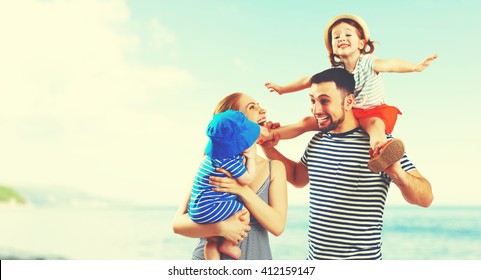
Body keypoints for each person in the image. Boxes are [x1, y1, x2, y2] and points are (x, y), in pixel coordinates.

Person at [261, 68, 433, 260]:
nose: (316, 109)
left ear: (349, 101)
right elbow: (296, 177)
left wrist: (398, 173)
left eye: (325, 101)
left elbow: (426, 198)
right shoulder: (318, 141)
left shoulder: (380, 145)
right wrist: (269, 148)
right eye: (312, 100)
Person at [264, 14, 437, 173]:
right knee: (306, 122)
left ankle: (380, 151)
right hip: (346, 114)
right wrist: (282, 89)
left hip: (371, 112)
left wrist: (414, 67)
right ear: (332, 48)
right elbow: (307, 80)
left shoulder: (368, 63)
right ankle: (266, 135)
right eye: (336, 37)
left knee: (375, 125)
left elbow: (390, 64)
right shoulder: (335, 72)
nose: (342, 39)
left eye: (348, 35)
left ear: (361, 43)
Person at [173, 92, 288, 260]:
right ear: (235, 123)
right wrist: (220, 228)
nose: (262, 110)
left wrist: (242, 190)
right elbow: (178, 225)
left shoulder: (274, 168)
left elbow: (277, 226)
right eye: (252, 107)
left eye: (258, 105)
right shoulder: (211, 164)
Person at [188, 109, 260, 260]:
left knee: (211, 240)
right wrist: (251, 158)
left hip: (196, 210)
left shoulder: (210, 158)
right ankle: (228, 244)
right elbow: (247, 179)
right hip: (211, 208)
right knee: (243, 214)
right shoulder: (230, 161)